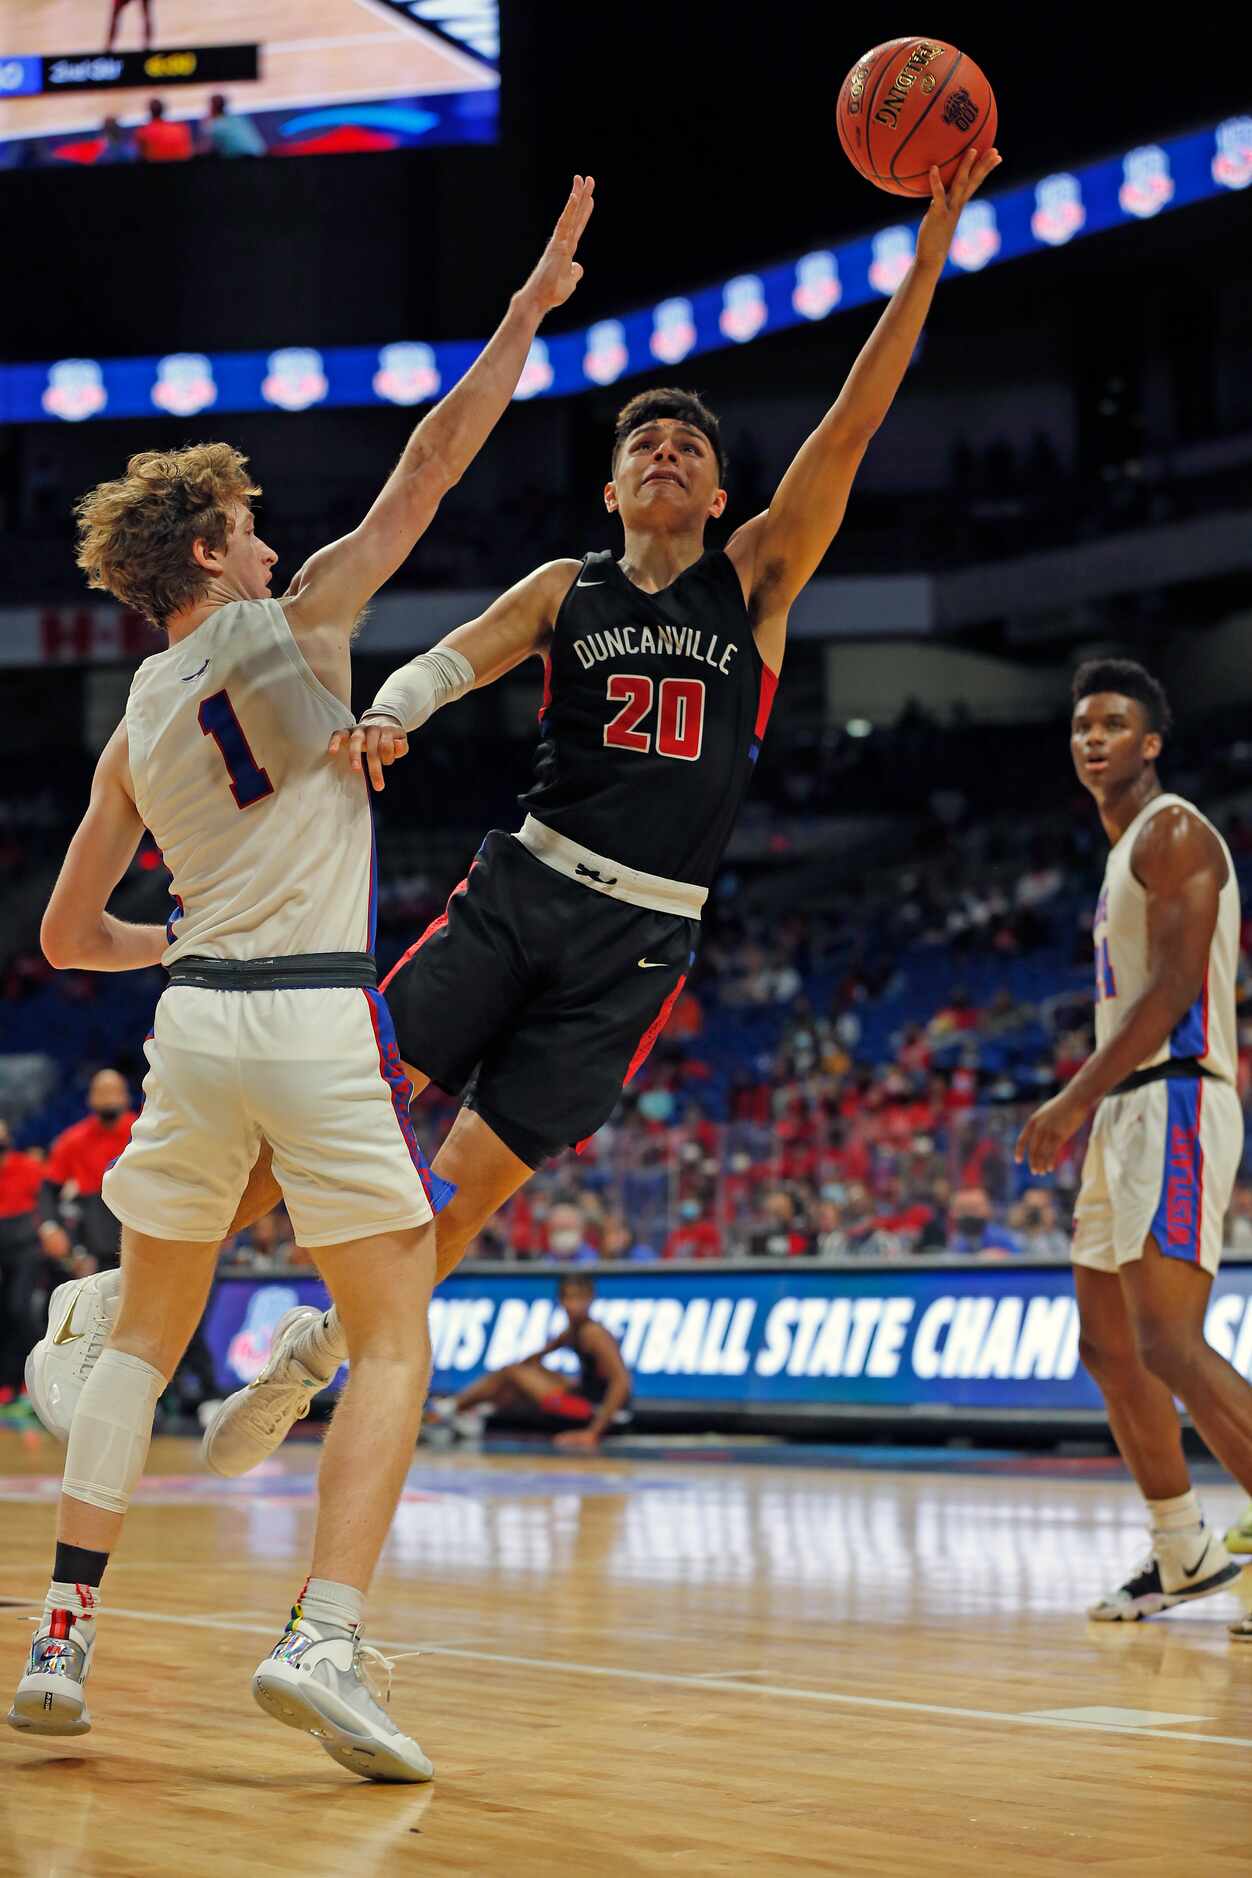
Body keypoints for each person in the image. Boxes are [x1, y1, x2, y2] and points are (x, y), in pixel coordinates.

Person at [169, 149, 1000, 1474]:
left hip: (642, 942)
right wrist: (396, 710)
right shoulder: (568, 585)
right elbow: (457, 656)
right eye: (642, 446)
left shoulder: (759, 579)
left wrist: (932, 245)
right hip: (521, 891)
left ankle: (318, 1352)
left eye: (689, 446)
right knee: (330, 1106)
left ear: (721, 492)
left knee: (470, 1188)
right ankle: (146, 1290)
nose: (665, 453)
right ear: (612, 490)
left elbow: (855, 418)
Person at [10, 178, 595, 1778]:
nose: (274, 540)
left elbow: (65, 938)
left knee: (140, 1338)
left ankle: (60, 1643)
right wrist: (528, 309)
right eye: (252, 525)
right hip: (321, 1008)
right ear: (215, 548)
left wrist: (181, 940)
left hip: (194, 1020)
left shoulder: (132, 714)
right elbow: (429, 466)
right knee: (393, 1329)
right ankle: (326, 1633)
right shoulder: (299, 618)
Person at [1016, 659, 1248, 1626]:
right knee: (1109, 1349)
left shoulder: (1174, 831)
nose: (1093, 738)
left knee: (1169, 1342)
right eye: (1081, 726)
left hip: (1179, 1099)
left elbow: (1174, 993)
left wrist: (1071, 1100)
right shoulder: (1121, 850)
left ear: (1150, 744)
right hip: (1130, 1110)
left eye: (1113, 724)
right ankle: (1182, 1549)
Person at [431, 1275, 631, 1450]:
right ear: (560, 1300)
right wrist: (526, 1376)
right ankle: (470, 1413)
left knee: (512, 1372)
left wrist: (592, 1433)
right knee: (516, 1376)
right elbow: (533, 1359)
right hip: (584, 1399)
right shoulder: (573, 1331)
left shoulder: (594, 1334)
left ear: (590, 1299)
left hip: (599, 1412)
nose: (572, 1305)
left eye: (578, 1298)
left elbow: (622, 1381)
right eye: (567, 1298)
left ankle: (450, 1409)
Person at [40, 1069, 136, 1274]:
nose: (108, 1099)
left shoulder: (144, 1133)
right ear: (90, 1099)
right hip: (93, 1231)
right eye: (101, 1093)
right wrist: (50, 1228)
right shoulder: (72, 1140)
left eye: (113, 1092)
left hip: (138, 1220)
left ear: (126, 1096)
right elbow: (48, 1189)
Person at [0, 1124, 46, 1418]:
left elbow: (44, 1206)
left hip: (26, 1248)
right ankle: (7, 1383)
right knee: (3, 1313)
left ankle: (33, 1381)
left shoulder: (28, 1166)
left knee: (20, 1308)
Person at [202, 95, 265, 160]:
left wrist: (206, 124)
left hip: (242, 161)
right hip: (260, 158)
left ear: (212, 107)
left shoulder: (214, 126)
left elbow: (205, 149)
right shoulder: (238, 119)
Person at [134, 99, 192, 164]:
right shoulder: (181, 129)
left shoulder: (143, 132)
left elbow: (140, 157)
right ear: (163, 110)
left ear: (150, 111)